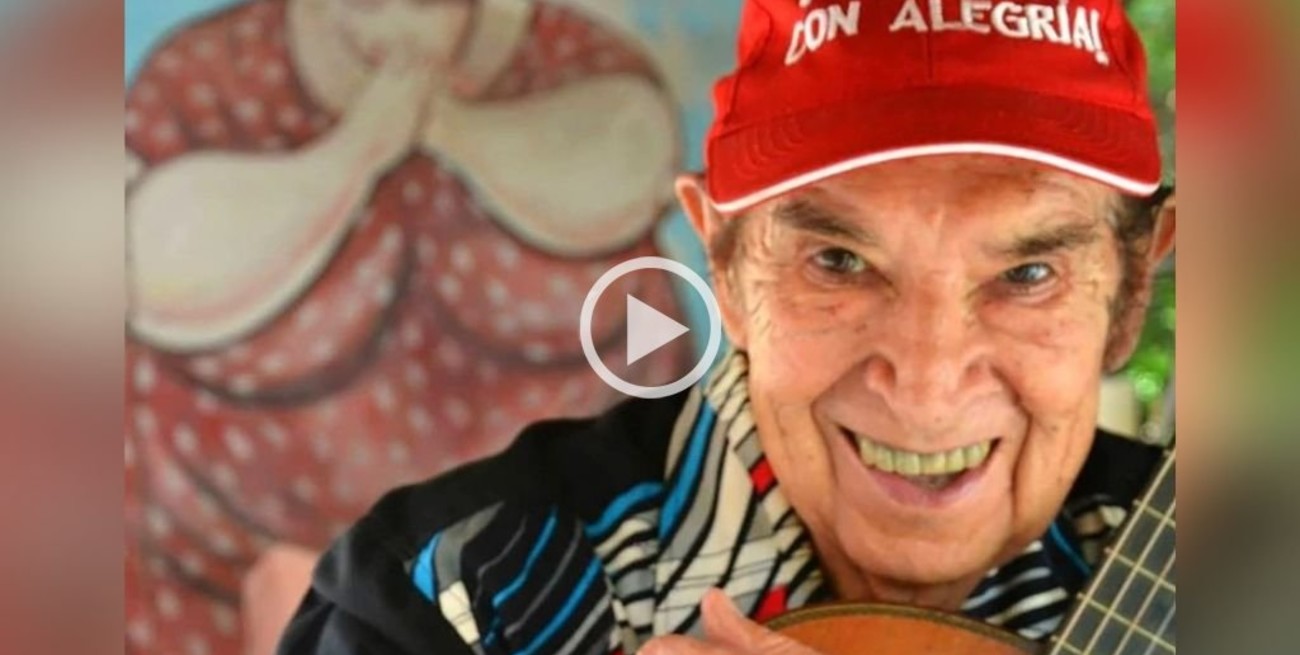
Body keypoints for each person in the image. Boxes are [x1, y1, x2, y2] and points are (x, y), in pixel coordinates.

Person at [278, 0, 1177, 653]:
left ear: (1134, 286)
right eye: (839, 261)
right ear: (726, 264)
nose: (928, 382)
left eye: (1027, 275)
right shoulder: (452, 597)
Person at [123, 0, 689, 654]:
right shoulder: (209, 76)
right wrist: (358, 147)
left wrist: (446, 122)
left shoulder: (569, 57)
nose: (396, 24)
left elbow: (638, 153)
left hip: (566, 560)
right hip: (235, 535)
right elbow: (157, 264)